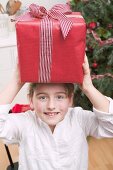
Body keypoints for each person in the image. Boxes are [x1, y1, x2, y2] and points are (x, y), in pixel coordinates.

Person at [0, 56, 113, 170]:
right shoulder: (24, 123)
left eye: (59, 97)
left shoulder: (79, 118)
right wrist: (16, 82)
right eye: (43, 97)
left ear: (70, 99)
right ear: (31, 100)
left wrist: (88, 88)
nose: (51, 106)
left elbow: (110, 126)